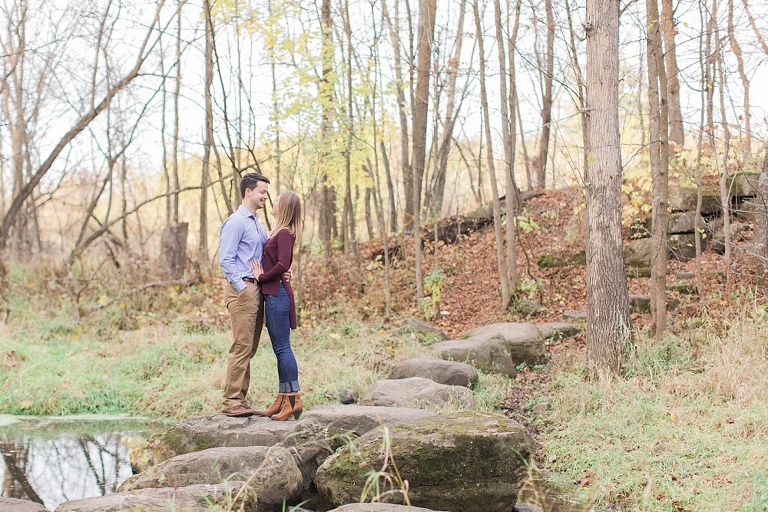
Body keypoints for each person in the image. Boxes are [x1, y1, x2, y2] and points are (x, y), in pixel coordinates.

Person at [218, 172, 270, 417]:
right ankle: (231, 402)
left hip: (257, 287)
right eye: (262, 192)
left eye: (266, 193)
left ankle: (241, 399)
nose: (265, 197)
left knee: (249, 347)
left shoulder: (256, 223)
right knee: (241, 346)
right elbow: (225, 260)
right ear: (248, 192)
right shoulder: (236, 221)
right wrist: (242, 289)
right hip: (243, 289)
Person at [251, 191, 303, 421]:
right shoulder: (279, 232)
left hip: (277, 293)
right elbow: (282, 264)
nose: (272, 203)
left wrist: (261, 277)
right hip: (274, 293)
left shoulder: (284, 233)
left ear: (285, 207)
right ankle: (283, 397)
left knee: (283, 348)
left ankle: (294, 400)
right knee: (279, 349)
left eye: (277, 201)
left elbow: (283, 263)